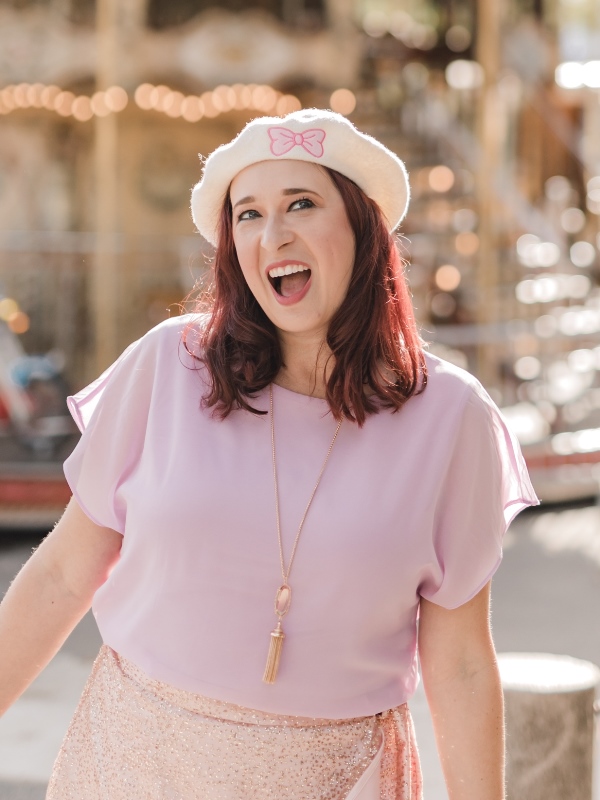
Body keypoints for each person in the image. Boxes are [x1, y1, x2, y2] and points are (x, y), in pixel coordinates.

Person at [0, 109, 539, 799]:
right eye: (248, 215)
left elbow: (460, 658)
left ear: (363, 227)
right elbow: (61, 576)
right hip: (136, 762)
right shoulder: (167, 366)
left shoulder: (451, 417)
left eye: (302, 204)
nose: (273, 234)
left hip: (339, 775)